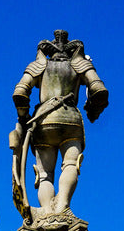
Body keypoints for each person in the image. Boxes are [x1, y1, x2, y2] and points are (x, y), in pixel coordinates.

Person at [10, 30, 108, 218]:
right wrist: (91, 109)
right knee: (71, 163)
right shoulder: (80, 64)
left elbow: (20, 94)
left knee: (45, 173)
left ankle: (47, 212)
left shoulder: (39, 65)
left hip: (43, 122)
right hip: (70, 119)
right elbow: (100, 91)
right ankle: (63, 205)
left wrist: (23, 120)